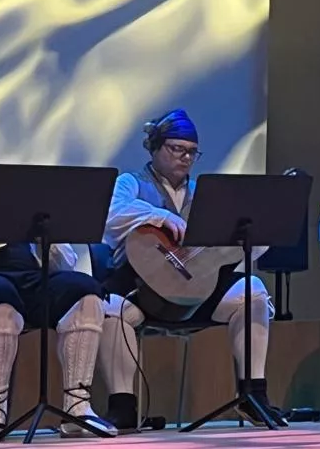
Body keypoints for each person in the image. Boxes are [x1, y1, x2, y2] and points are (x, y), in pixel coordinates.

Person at [95, 109, 279, 429]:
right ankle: (122, 404)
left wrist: (254, 234)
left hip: (198, 290)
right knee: (112, 309)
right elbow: (110, 214)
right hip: (142, 289)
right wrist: (158, 216)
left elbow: (250, 250)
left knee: (254, 291)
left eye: (191, 151)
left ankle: (253, 394)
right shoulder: (132, 183)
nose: (185, 157)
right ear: (154, 148)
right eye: (176, 149)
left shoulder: (204, 195)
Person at [0, 109, 115, 441]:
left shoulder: (15, 188)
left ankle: (77, 409)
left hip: (29, 278)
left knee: (83, 287)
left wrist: (48, 237)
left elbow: (64, 263)